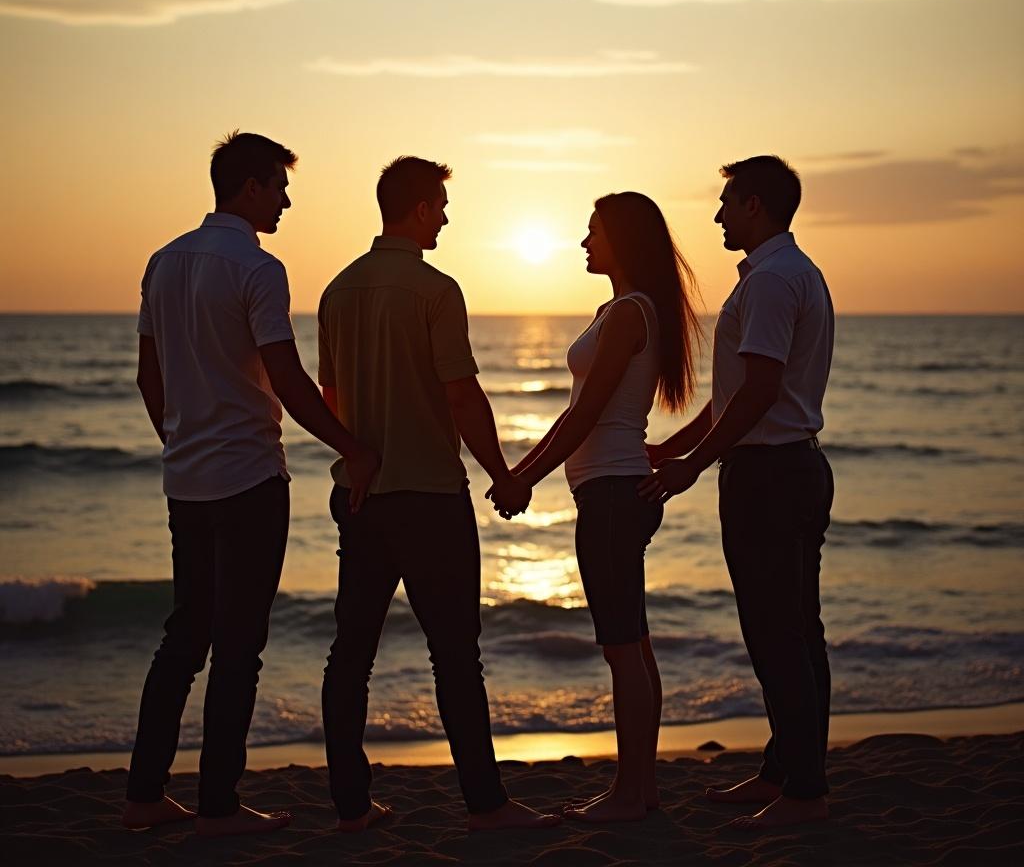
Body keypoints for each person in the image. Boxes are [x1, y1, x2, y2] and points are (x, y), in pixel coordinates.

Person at [123, 131, 379, 837]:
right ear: (248, 187)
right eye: (278, 186)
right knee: (239, 644)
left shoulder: (163, 262)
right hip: (249, 478)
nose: (286, 200)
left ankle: (144, 794)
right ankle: (219, 805)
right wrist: (351, 447)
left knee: (185, 635)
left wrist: (177, 440)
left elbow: (150, 376)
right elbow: (289, 379)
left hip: (188, 478)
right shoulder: (258, 268)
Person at [317, 156, 559, 833]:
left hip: (363, 498)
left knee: (351, 653)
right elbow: (460, 394)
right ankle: (485, 804)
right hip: (429, 497)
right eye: (442, 205)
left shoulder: (337, 291)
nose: (447, 217)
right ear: (419, 208)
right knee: (456, 655)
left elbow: (332, 397)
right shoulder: (435, 290)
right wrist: (502, 473)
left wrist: (354, 453)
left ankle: (350, 805)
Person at [640, 155, 834, 829]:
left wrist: (694, 463)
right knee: (795, 629)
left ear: (755, 205)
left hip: (770, 475)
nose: (718, 214)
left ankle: (804, 791)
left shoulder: (774, 282)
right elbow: (737, 392)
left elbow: (757, 393)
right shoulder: (787, 273)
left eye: (726, 202)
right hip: (790, 466)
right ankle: (788, 771)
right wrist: (675, 444)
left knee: (776, 633)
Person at [498, 192, 702, 823]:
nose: (584, 243)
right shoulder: (618, 310)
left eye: (593, 233)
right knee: (633, 643)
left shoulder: (628, 314)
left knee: (622, 647)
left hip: (614, 493)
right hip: (611, 489)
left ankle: (627, 792)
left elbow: (584, 415)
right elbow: (585, 411)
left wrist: (522, 476)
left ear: (622, 240)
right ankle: (641, 788)